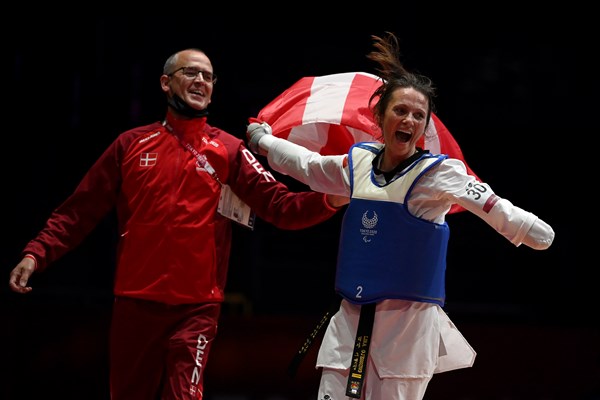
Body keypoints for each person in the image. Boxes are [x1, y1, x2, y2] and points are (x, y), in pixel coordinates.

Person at [8, 48, 348, 400]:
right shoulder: (130, 145)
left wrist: (329, 199)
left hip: (197, 308)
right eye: (191, 72)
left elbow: (281, 206)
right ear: (165, 83)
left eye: (208, 76)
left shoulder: (229, 150)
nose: (201, 80)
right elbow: (79, 210)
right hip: (134, 304)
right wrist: (37, 253)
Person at [246, 32, 555, 400]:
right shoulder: (358, 162)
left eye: (418, 115)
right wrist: (263, 141)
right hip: (351, 318)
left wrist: (530, 229)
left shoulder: (441, 174)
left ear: (425, 128)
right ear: (379, 116)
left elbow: (491, 204)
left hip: (406, 329)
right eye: (400, 110)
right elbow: (309, 166)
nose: (408, 119)